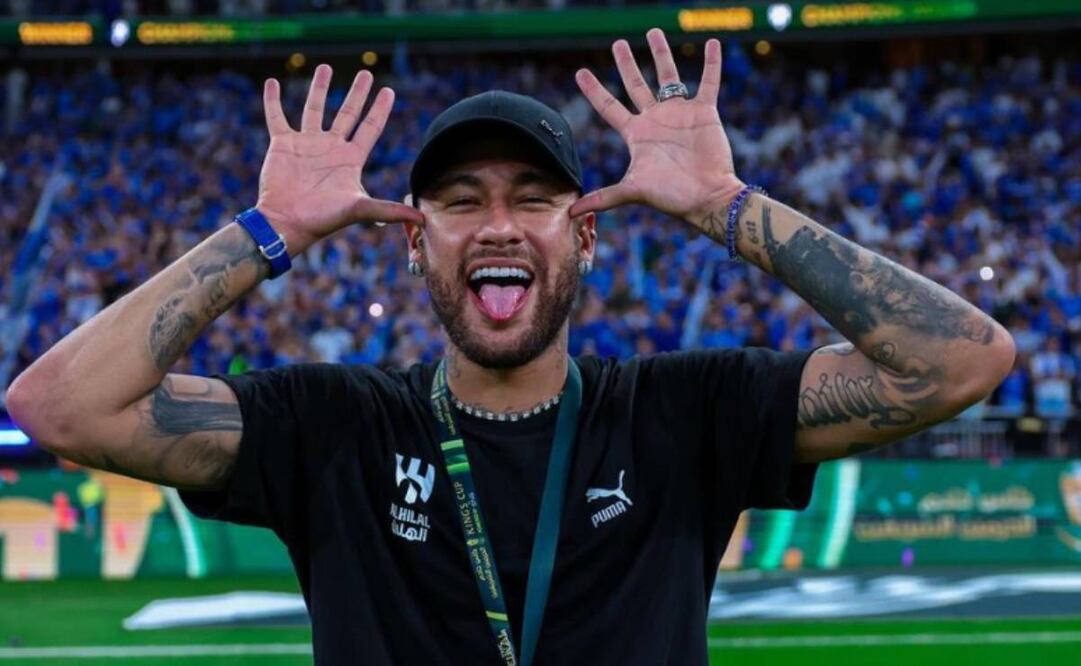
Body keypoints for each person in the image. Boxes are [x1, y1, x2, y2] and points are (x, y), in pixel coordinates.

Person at [8, 29, 1015, 666]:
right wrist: (267, 235)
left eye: (534, 200)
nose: (497, 226)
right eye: (458, 203)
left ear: (583, 235)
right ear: (412, 242)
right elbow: (60, 407)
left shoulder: (681, 411)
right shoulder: (333, 427)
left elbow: (959, 361)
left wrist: (726, 208)